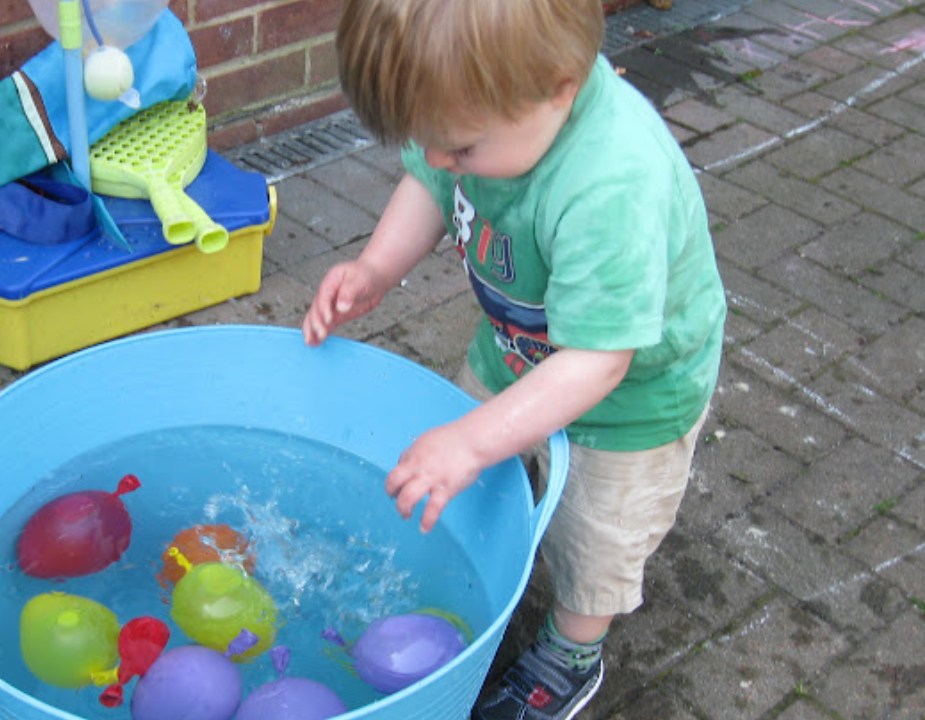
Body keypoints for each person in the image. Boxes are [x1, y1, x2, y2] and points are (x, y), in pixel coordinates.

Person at [300, 0, 727, 718]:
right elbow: (430, 186)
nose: (442, 161)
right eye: (429, 142)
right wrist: (376, 268)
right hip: (516, 355)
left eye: (461, 151)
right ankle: (487, 553)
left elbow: (599, 361)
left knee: (594, 539)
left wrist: (471, 440)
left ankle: (572, 651)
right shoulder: (489, 116)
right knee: (474, 477)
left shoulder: (611, 184)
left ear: (560, 89)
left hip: (628, 404)